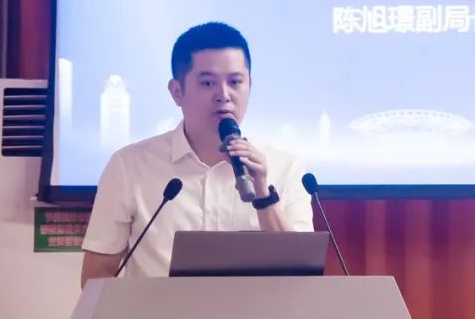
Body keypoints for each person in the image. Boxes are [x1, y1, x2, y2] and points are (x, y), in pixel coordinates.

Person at [80, 22, 313, 287]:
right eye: (208, 83)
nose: (224, 95)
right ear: (177, 92)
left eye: (235, 82)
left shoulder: (285, 168)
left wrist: (263, 194)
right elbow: (96, 278)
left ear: (250, 85)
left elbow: (300, 278)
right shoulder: (129, 166)